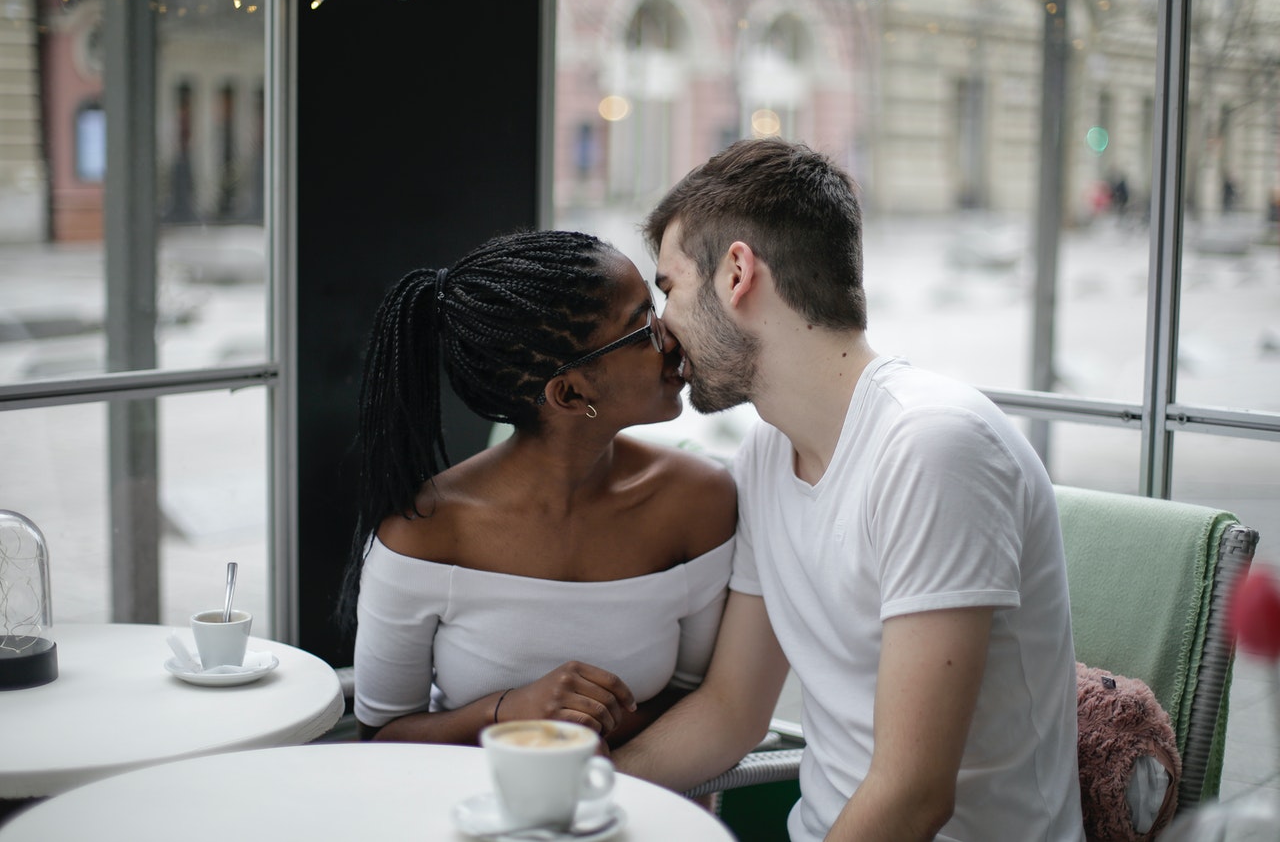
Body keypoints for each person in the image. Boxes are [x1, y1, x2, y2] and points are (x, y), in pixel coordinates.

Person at [613, 139, 1085, 841]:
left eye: (669, 288)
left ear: (737, 272)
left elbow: (914, 795)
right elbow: (732, 711)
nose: (661, 328)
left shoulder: (931, 447)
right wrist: (578, 788)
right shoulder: (767, 456)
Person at [340, 230, 736, 750]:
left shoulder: (699, 502)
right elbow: (381, 737)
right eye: (643, 328)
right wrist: (508, 712)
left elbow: (697, 698)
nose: (672, 336)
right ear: (570, 393)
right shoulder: (425, 533)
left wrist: (577, 746)